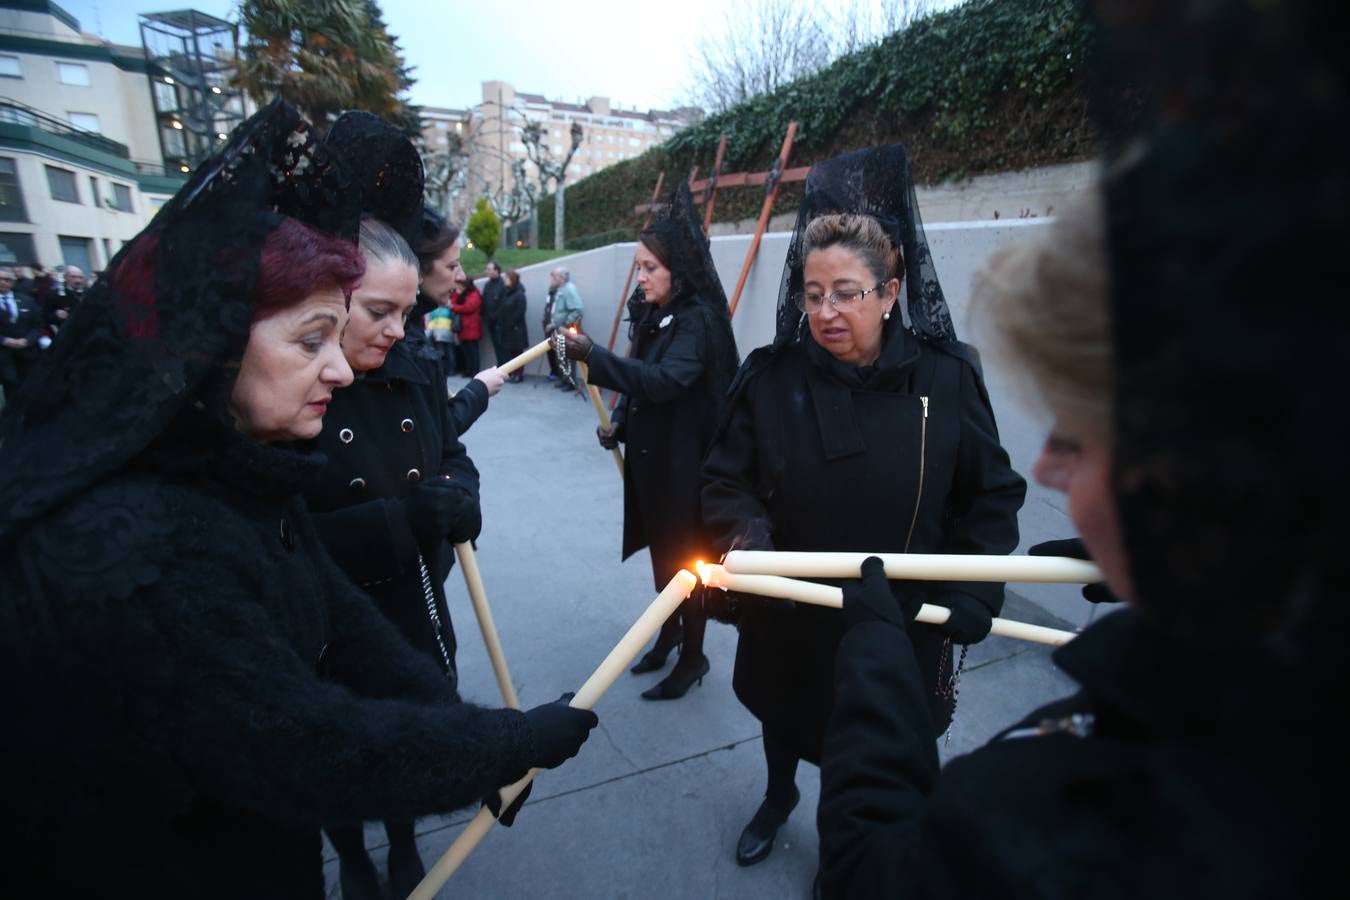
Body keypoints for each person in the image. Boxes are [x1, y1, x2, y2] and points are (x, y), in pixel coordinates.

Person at [0, 100, 598, 899]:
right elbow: (299, 743)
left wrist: (482, 733)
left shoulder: (243, 470)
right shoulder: (135, 541)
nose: (345, 369)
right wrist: (493, 749)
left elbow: (340, 619)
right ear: (210, 348)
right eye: (315, 338)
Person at [816, 2, 1346, 896]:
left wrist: (882, 666)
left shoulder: (1100, 824)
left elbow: (880, 869)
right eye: (813, 292)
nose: (1052, 468)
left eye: (1077, 433)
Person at [700, 145, 1026, 873]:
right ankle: (778, 794)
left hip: (899, 621)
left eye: (846, 292)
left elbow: (990, 494)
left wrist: (975, 583)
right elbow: (726, 479)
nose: (826, 312)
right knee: (785, 719)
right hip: (792, 606)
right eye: (814, 294)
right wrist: (748, 537)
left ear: (889, 291)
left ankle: (843, 848)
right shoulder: (770, 377)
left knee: (875, 747)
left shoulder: (947, 378)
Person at [561, 182, 740, 700]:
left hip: (686, 466)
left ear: (677, 271)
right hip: (655, 458)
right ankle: (669, 632)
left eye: (649, 269)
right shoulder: (654, 314)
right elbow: (641, 377)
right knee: (664, 558)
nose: (640, 278)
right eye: (639, 267)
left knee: (688, 563)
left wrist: (593, 354)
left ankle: (694, 655)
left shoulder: (698, 322)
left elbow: (665, 381)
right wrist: (619, 421)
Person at [0, 266, 42, 401]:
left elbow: (38, 325)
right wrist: (5, 340)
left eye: (6, 279)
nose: (3, 282)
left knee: (32, 386)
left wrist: (27, 340)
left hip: (28, 352)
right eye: (0, 279)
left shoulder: (27, 300)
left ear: (12, 282)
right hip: (4, 354)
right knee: (11, 385)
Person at [545, 266, 583, 388]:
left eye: (554, 276)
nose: (552, 278)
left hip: (566, 329)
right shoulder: (560, 289)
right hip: (559, 329)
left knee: (569, 354)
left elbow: (578, 309)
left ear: (561, 278)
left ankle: (571, 382)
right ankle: (564, 379)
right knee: (561, 353)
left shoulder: (569, 289)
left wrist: (565, 323)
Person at [450, 268, 484, 375]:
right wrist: (457, 294)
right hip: (463, 328)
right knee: (466, 351)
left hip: (471, 327)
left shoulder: (474, 294)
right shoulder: (460, 293)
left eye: (461, 285)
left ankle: (474, 371)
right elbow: (452, 302)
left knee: (473, 351)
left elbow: (468, 307)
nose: (458, 287)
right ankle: (468, 370)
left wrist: (454, 307)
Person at [499, 268, 529, 383]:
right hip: (508, 329)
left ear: (512, 280)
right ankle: (513, 374)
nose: (505, 280)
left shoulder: (519, 294)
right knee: (511, 352)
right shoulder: (507, 292)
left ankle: (519, 374)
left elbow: (520, 312)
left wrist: (510, 324)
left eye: (507, 278)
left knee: (517, 353)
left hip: (516, 329)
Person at [481, 259, 506, 364]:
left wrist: (496, 318)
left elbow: (503, 304)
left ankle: (504, 367)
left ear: (497, 271)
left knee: (502, 346)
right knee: (496, 346)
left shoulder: (502, 284)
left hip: (499, 323)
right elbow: (484, 302)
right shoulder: (487, 285)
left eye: (489, 269)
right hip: (490, 322)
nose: (487, 271)